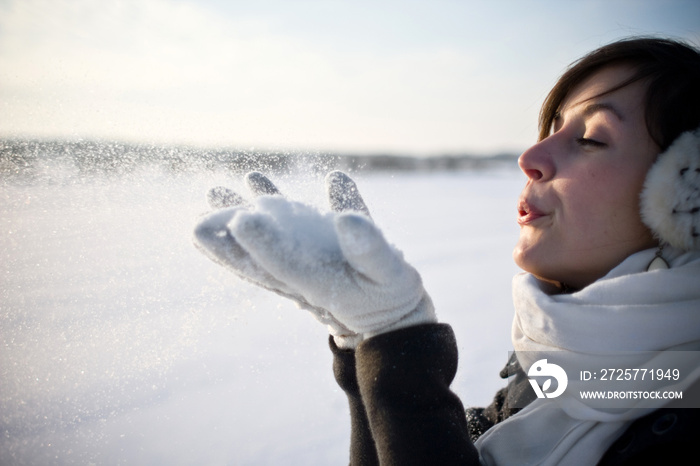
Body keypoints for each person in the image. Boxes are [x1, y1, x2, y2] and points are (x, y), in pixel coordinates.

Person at [193, 37, 700, 465]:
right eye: (550, 131)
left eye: (590, 137)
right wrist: (366, 346)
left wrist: (398, 341)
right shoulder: (551, 374)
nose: (530, 158)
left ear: (685, 195)